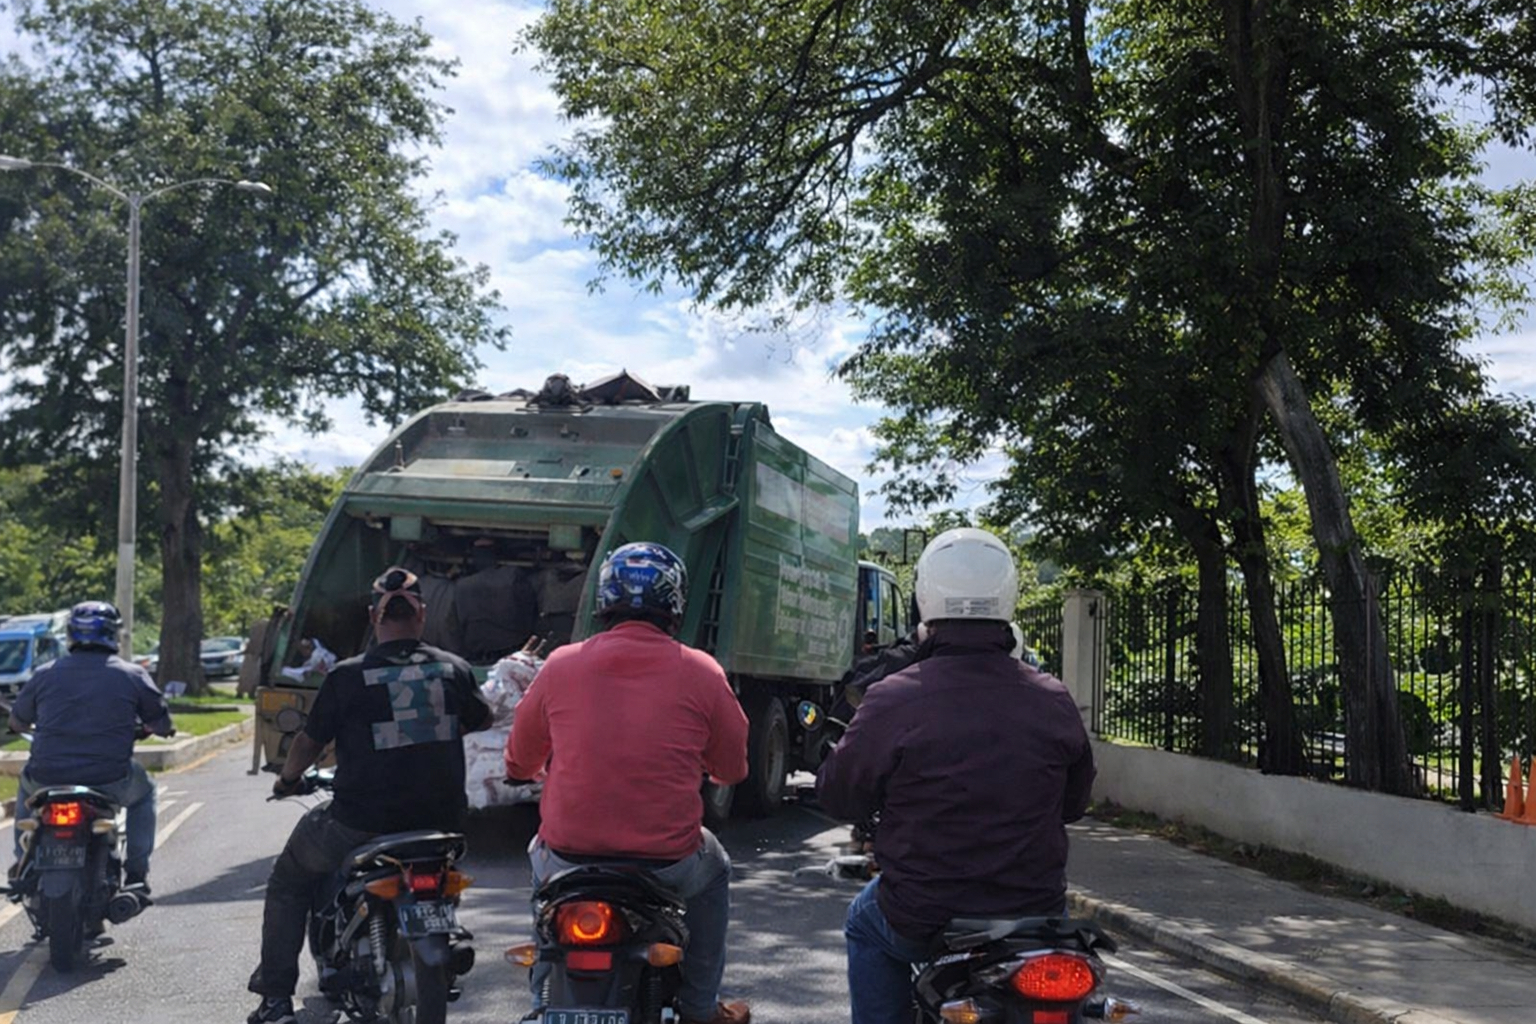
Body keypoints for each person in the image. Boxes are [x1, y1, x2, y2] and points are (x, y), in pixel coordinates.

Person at [817, 528, 1096, 1024]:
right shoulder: (1053, 698)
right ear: (1008, 596)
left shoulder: (894, 697)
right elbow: (1074, 804)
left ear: (926, 596)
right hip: (1034, 913)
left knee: (863, 923)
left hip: (923, 912)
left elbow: (840, 794)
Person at [506, 541, 752, 1024]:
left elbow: (518, 760)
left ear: (604, 599)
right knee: (716, 866)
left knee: (540, 869)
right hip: (667, 862)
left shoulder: (559, 665)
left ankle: (542, 1001)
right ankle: (701, 1007)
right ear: (675, 603)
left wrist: (528, 771)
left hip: (569, 856)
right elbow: (732, 770)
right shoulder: (702, 670)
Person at [246, 566, 492, 1024]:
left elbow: (308, 742)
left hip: (360, 822)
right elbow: (481, 718)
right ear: (421, 616)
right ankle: (442, 931)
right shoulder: (453, 669)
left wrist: (286, 781)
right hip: (442, 824)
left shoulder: (347, 676)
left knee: (287, 879)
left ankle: (275, 998)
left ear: (374, 617)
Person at [8, 601, 173, 892]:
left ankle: (22, 862)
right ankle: (136, 872)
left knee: (25, 785)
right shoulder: (132, 675)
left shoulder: (44, 673)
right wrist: (156, 727)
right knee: (144, 792)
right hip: (109, 778)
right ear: (113, 634)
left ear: (71, 633)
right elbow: (160, 721)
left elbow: (18, 721)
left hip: (47, 777)